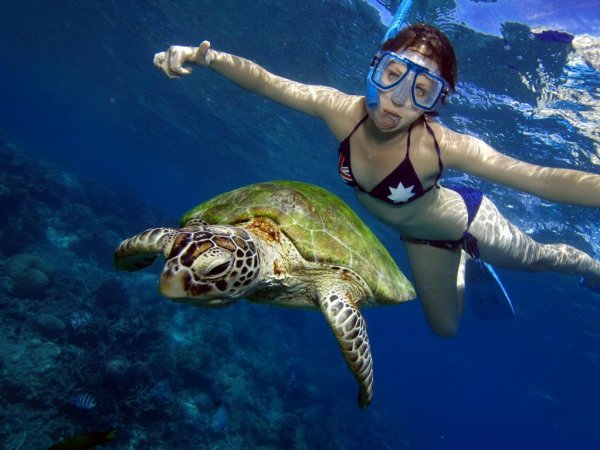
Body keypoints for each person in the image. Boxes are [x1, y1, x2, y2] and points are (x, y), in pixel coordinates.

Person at [153, 23, 600, 337]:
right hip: (418, 237)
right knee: (445, 329)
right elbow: (268, 82)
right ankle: (461, 265)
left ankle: (591, 267)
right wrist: (205, 58)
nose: (397, 100)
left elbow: (538, 179)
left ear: (435, 103)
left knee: (539, 259)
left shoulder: (440, 145)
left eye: (421, 91)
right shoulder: (339, 110)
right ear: (375, 69)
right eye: (392, 76)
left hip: (463, 221)